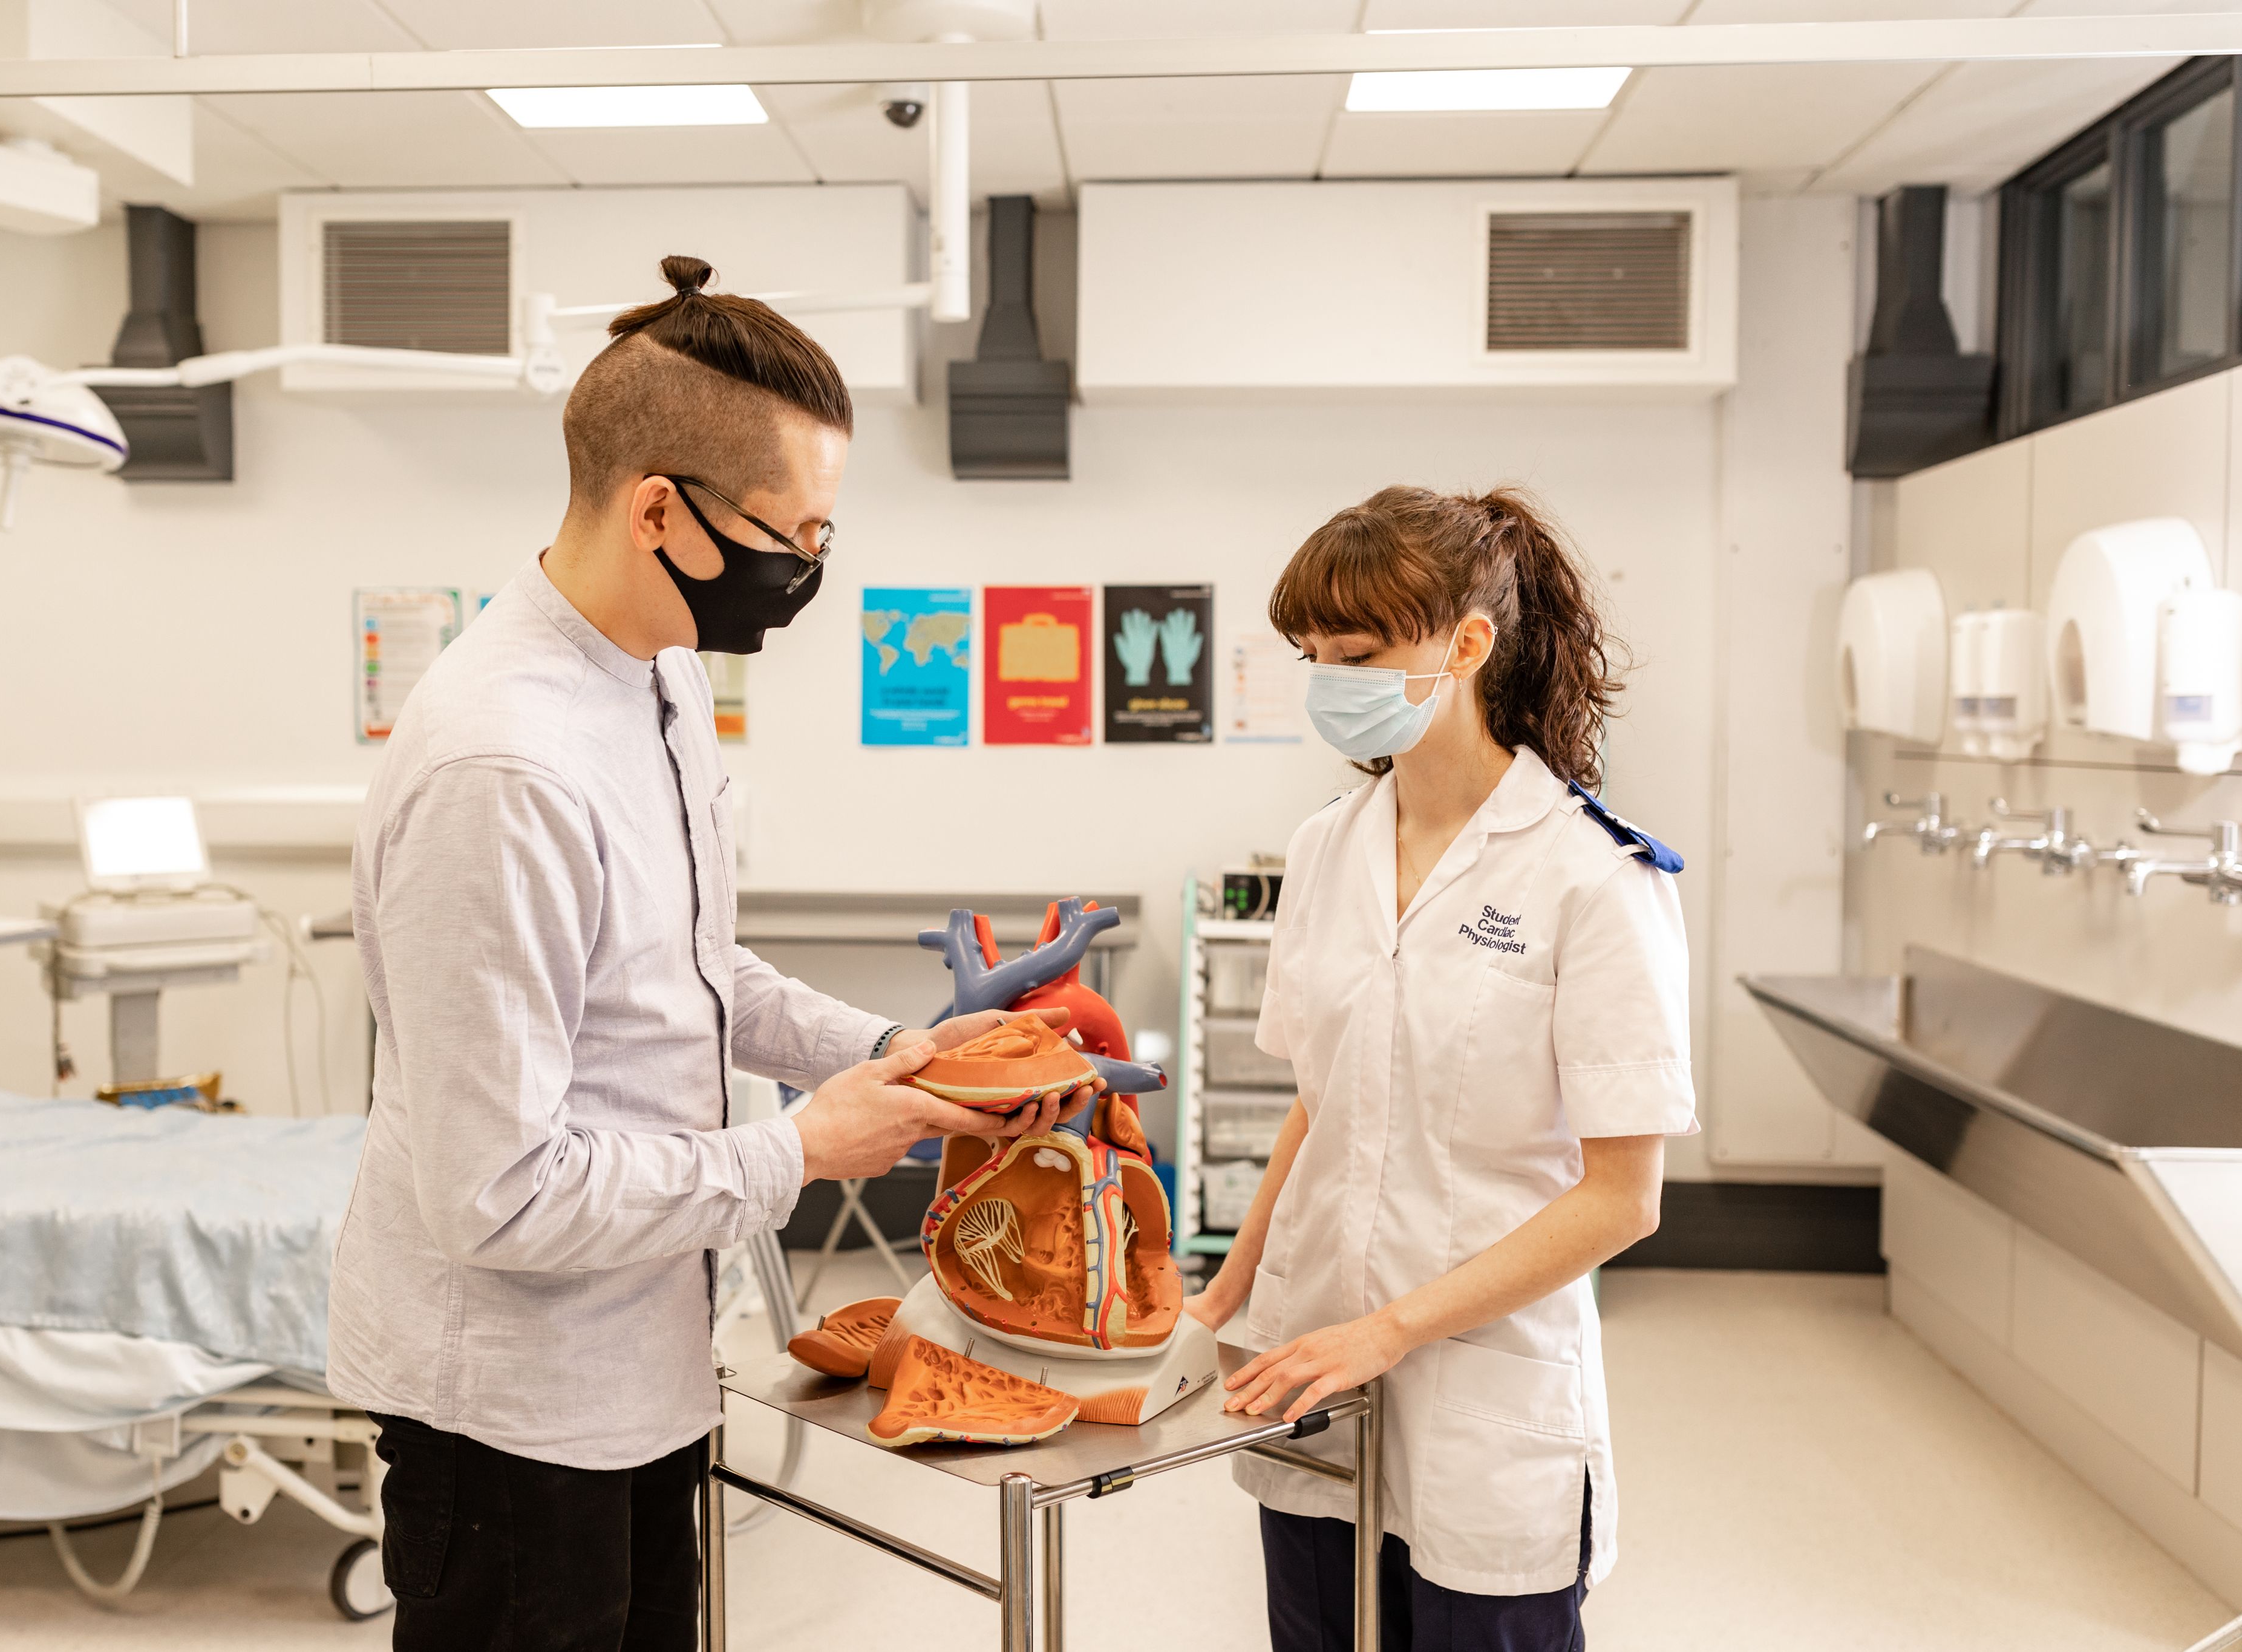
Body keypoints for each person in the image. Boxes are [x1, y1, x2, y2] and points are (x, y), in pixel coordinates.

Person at [327, 256, 1085, 1652]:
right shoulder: (504, 765)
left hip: (641, 1364)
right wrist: (798, 1152)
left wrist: (887, 1055)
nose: (805, 571)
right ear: (658, 508)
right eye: (792, 535)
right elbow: (494, 1195)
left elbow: (692, 967)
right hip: (508, 1413)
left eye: (824, 535)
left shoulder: (662, 671)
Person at [1183, 486, 1696, 1652]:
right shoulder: (1326, 851)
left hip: (1484, 1382)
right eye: (1311, 653)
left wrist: (1394, 1331)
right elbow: (1321, 1100)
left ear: (1467, 646)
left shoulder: (1594, 878)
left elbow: (1624, 1197)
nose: (1326, 679)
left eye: (1355, 653)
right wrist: (1226, 1292)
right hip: (1312, 1358)